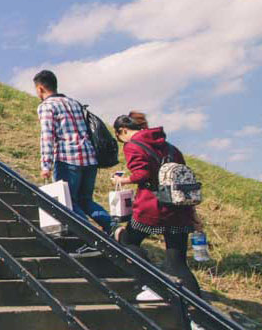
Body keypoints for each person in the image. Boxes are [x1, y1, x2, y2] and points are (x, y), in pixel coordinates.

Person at [111, 115, 205, 313]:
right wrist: (193, 212)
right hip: (179, 208)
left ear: (123, 131)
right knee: (177, 261)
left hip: (152, 208)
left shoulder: (133, 145)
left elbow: (142, 174)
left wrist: (122, 180)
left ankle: (152, 285)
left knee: (128, 240)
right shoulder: (170, 147)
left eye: (120, 138)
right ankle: (202, 313)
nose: (123, 143)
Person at [33, 70, 111, 248]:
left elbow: (47, 136)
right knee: (86, 200)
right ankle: (113, 227)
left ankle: (93, 238)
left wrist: (46, 165)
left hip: (68, 160)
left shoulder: (47, 106)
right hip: (90, 158)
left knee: (68, 203)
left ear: (40, 88)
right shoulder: (74, 103)